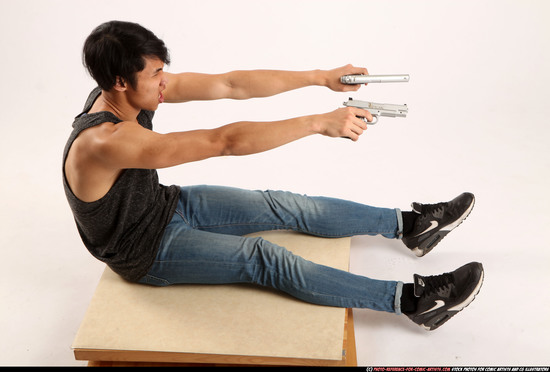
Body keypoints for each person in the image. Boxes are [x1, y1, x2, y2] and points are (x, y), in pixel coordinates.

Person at [63, 20, 483, 331]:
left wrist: (320, 78)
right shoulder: (107, 141)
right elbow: (222, 142)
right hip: (146, 249)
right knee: (264, 258)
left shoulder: (128, 93)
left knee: (283, 205)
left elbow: (230, 84)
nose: (164, 83)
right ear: (119, 81)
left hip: (165, 205)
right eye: (155, 75)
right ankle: (413, 302)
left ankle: (413, 225)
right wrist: (319, 123)